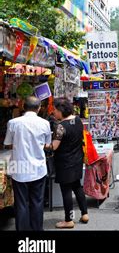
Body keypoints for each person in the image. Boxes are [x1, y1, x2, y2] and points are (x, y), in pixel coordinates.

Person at [3, 96, 52, 231]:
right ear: (39, 108)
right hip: (38, 168)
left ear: (23, 107)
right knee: (37, 201)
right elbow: (47, 144)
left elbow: (7, 144)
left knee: (21, 202)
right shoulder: (45, 123)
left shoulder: (13, 123)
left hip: (18, 167)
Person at [51, 98, 89, 229]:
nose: (53, 112)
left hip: (65, 163)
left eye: (55, 110)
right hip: (77, 160)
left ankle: (68, 220)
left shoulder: (60, 126)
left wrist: (42, 144)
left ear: (61, 110)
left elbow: (54, 146)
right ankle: (84, 213)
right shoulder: (78, 120)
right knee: (77, 187)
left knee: (66, 190)